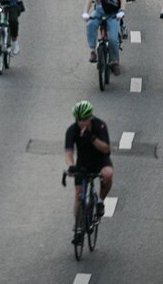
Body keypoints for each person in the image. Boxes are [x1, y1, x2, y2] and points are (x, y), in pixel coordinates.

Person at [64, 101, 114, 236]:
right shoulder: (72, 130)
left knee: (108, 174)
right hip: (83, 161)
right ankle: (78, 225)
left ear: (90, 117)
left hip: (100, 159)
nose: (81, 123)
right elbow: (68, 152)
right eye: (79, 120)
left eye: (84, 120)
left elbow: (106, 148)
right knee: (79, 194)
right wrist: (71, 166)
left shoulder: (100, 126)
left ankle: (100, 201)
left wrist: (91, 138)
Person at [82, 0, 126, 74]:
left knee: (112, 39)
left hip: (113, 13)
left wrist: (121, 11)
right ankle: (93, 51)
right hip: (99, 11)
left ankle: (114, 61)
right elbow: (89, 0)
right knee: (90, 25)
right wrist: (85, 13)